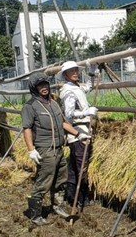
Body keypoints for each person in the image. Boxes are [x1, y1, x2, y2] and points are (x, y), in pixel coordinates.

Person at [21, 75, 82, 226]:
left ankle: (57, 206)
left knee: (61, 179)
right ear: (34, 88)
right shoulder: (30, 106)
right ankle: (35, 215)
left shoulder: (53, 103)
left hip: (59, 148)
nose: (44, 88)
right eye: (40, 85)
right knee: (44, 181)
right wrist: (31, 150)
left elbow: (62, 123)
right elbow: (27, 129)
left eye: (46, 85)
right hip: (45, 149)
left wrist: (78, 134)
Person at [58, 61, 97, 210]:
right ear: (65, 75)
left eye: (76, 70)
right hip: (78, 132)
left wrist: (92, 74)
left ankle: (72, 195)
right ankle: (81, 198)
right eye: (71, 71)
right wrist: (85, 112)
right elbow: (68, 114)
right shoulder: (68, 91)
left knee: (74, 166)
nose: (75, 72)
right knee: (81, 166)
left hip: (82, 131)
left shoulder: (76, 87)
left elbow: (88, 87)